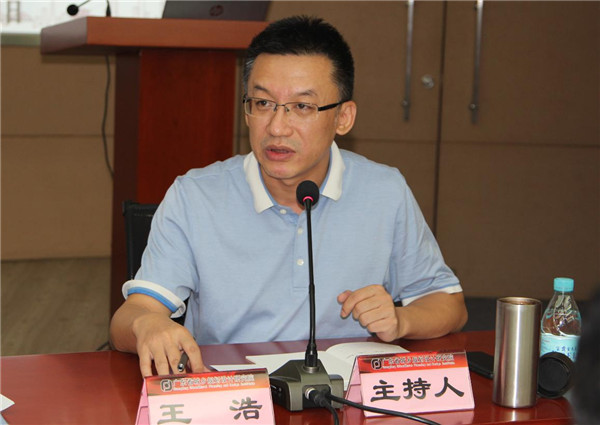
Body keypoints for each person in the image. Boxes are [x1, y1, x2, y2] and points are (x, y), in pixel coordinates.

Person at [110, 15, 468, 377]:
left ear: (343, 117)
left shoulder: (384, 191)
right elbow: (133, 314)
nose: (277, 127)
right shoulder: (195, 196)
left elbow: (448, 303)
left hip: (347, 397)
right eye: (262, 103)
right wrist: (147, 324)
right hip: (236, 396)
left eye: (302, 107)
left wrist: (401, 319)